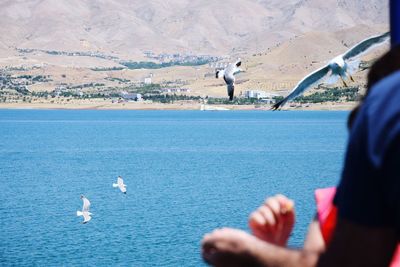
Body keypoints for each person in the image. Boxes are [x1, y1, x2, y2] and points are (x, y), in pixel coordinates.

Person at [201, 46, 400, 266]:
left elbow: (349, 260)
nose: (356, 116)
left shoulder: (384, 108)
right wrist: (274, 246)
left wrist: (256, 254)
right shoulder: (333, 206)